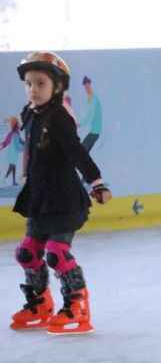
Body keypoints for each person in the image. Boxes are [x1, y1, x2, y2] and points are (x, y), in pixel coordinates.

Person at [10, 51, 112, 334]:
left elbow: (77, 152)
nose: (33, 89)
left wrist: (97, 183)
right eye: (29, 83)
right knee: (27, 253)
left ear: (57, 87)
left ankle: (78, 306)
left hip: (64, 198)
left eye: (40, 83)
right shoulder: (30, 112)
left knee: (56, 253)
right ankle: (40, 303)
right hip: (40, 197)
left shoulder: (59, 117)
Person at [78, 76, 103, 152]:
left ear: (90, 85)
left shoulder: (93, 98)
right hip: (94, 131)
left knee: (82, 150)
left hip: (95, 131)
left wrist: (79, 124)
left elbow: (90, 115)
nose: (86, 89)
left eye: (87, 86)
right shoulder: (90, 98)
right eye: (85, 87)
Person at [0, 116, 24, 185]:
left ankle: (13, 181)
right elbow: (6, 141)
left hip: (14, 151)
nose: (18, 125)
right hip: (12, 151)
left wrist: (25, 143)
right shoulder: (13, 133)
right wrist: (1, 147)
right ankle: (5, 178)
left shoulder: (15, 132)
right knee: (12, 166)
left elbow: (20, 140)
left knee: (13, 166)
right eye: (17, 124)